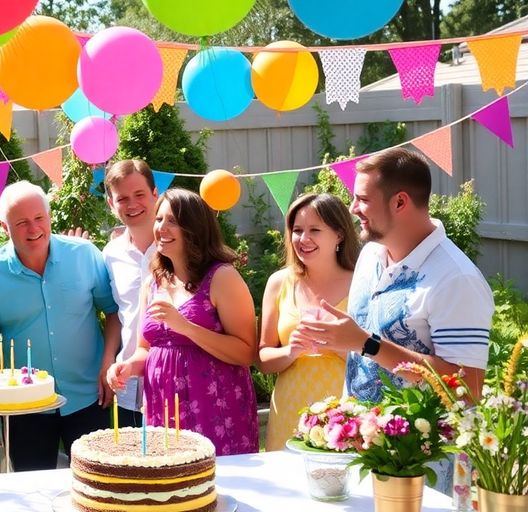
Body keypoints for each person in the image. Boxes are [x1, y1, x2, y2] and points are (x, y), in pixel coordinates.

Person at [296, 147, 493, 401]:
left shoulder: (457, 279)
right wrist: (338, 337)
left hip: (419, 440)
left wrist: (368, 344)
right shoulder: (369, 255)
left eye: (363, 199)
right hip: (358, 433)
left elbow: (467, 389)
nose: (353, 208)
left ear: (400, 202)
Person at [0, 181, 121, 471]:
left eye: (39, 218)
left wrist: (108, 361)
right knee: (34, 493)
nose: (33, 228)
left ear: (49, 217)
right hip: (25, 406)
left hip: (90, 396)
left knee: (99, 485)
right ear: (4, 226)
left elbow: (113, 312)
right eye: (21, 222)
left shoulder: (84, 254)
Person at [107, 188, 259, 456]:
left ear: (195, 228)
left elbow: (246, 352)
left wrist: (186, 328)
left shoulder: (222, 277)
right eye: (159, 219)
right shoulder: (152, 283)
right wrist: (128, 366)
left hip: (214, 406)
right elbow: (146, 348)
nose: (161, 228)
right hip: (162, 405)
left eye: (173, 221)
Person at [257, 194, 359, 451]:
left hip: (345, 411)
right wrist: (291, 350)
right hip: (290, 407)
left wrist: (338, 346)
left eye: (315, 230)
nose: (303, 239)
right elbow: (263, 359)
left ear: (339, 235)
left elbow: (378, 359)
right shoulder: (279, 282)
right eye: (297, 230)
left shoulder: (363, 282)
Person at [101, 159, 160, 427]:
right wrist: (108, 361)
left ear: (155, 194)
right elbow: (115, 312)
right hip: (128, 383)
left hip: (170, 378)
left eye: (139, 195)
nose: (132, 204)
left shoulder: (176, 246)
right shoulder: (110, 254)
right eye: (122, 198)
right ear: (111, 205)